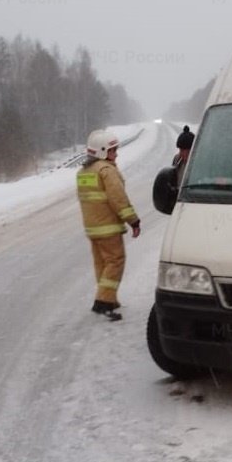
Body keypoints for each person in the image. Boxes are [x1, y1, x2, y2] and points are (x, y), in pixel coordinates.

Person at [76, 129, 141, 321]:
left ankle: (108, 298)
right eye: (113, 150)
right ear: (102, 151)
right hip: (108, 228)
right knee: (115, 261)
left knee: (102, 264)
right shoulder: (107, 171)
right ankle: (103, 301)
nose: (116, 154)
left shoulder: (83, 172)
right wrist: (133, 220)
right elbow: (118, 199)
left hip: (92, 229)